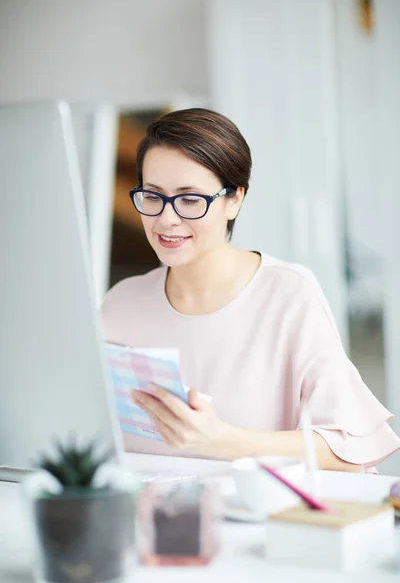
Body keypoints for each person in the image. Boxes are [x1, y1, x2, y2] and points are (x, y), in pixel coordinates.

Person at [101, 108, 400, 472]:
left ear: (234, 199)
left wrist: (222, 441)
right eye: (152, 196)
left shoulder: (288, 294)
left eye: (190, 199)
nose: (166, 218)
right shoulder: (119, 303)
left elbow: (350, 450)